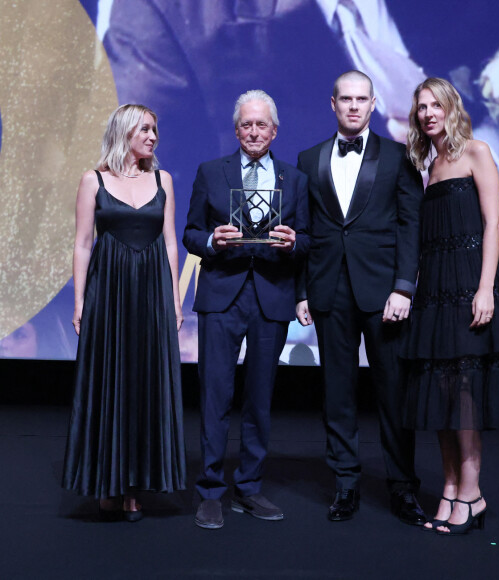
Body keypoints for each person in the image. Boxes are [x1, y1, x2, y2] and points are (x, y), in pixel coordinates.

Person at [296, 70, 425, 525]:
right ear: (332, 104)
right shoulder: (308, 158)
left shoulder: (398, 156)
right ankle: (346, 485)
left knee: (393, 392)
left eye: (361, 99)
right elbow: (305, 233)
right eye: (345, 99)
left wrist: (404, 287)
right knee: (338, 393)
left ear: (373, 104)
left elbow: (411, 225)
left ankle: (403, 487)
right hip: (330, 290)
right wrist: (302, 292)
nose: (353, 106)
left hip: (385, 293)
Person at [183, 90, 309, 529]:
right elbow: (190, 233)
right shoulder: (210, 172)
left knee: (259, 400)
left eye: (261, 125)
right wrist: (211, 241)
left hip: (272, 295)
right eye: (246, 125)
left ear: (274, 131)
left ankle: (249, 489)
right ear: (236, 130)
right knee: (215, 396)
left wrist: (296, 242)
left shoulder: (295, 180)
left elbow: (309, 240)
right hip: (221, 294)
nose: (253, 132)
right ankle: (210, 492)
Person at [403, 78, 499, 535]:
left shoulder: (477, 151)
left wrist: (485, 288)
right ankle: (450, 488)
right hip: (435, 291)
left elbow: (493, 224)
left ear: (451, 107)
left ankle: (472, 495)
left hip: (472, 284)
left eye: (436, 105)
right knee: (441, 394)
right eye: (421, 107)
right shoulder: (428, 165)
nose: (428, 113)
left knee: (467, 395)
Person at [62, 104, 187, 522]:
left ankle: (135, 484)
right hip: (109, 292)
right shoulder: (92, 180)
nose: (153, 136)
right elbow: (82, 243)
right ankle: (108, 483)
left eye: (155, 129)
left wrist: (173, 300)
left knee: (146, 381)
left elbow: (171, 242)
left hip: (152, 290)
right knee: (108, 380)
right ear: (124, 132)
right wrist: (80, 302)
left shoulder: (163, 179)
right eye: (145, 129)